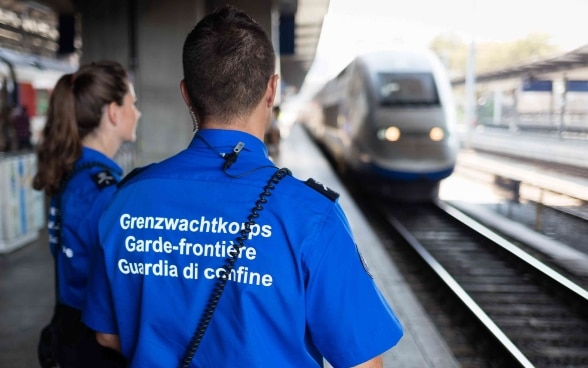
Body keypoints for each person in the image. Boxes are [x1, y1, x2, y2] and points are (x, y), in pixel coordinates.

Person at [82, 5, 403, 368]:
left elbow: (107, 334)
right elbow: (362, 363)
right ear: (272, 90)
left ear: (187, 94)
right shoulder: (311, 215)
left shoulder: (126, 200)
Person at [33, 60, 141, 368]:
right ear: (113, 111)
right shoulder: (102, 190)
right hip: (94, 342)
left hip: (68, 326)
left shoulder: (74, 174)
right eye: (133, 103)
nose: (138, 112)